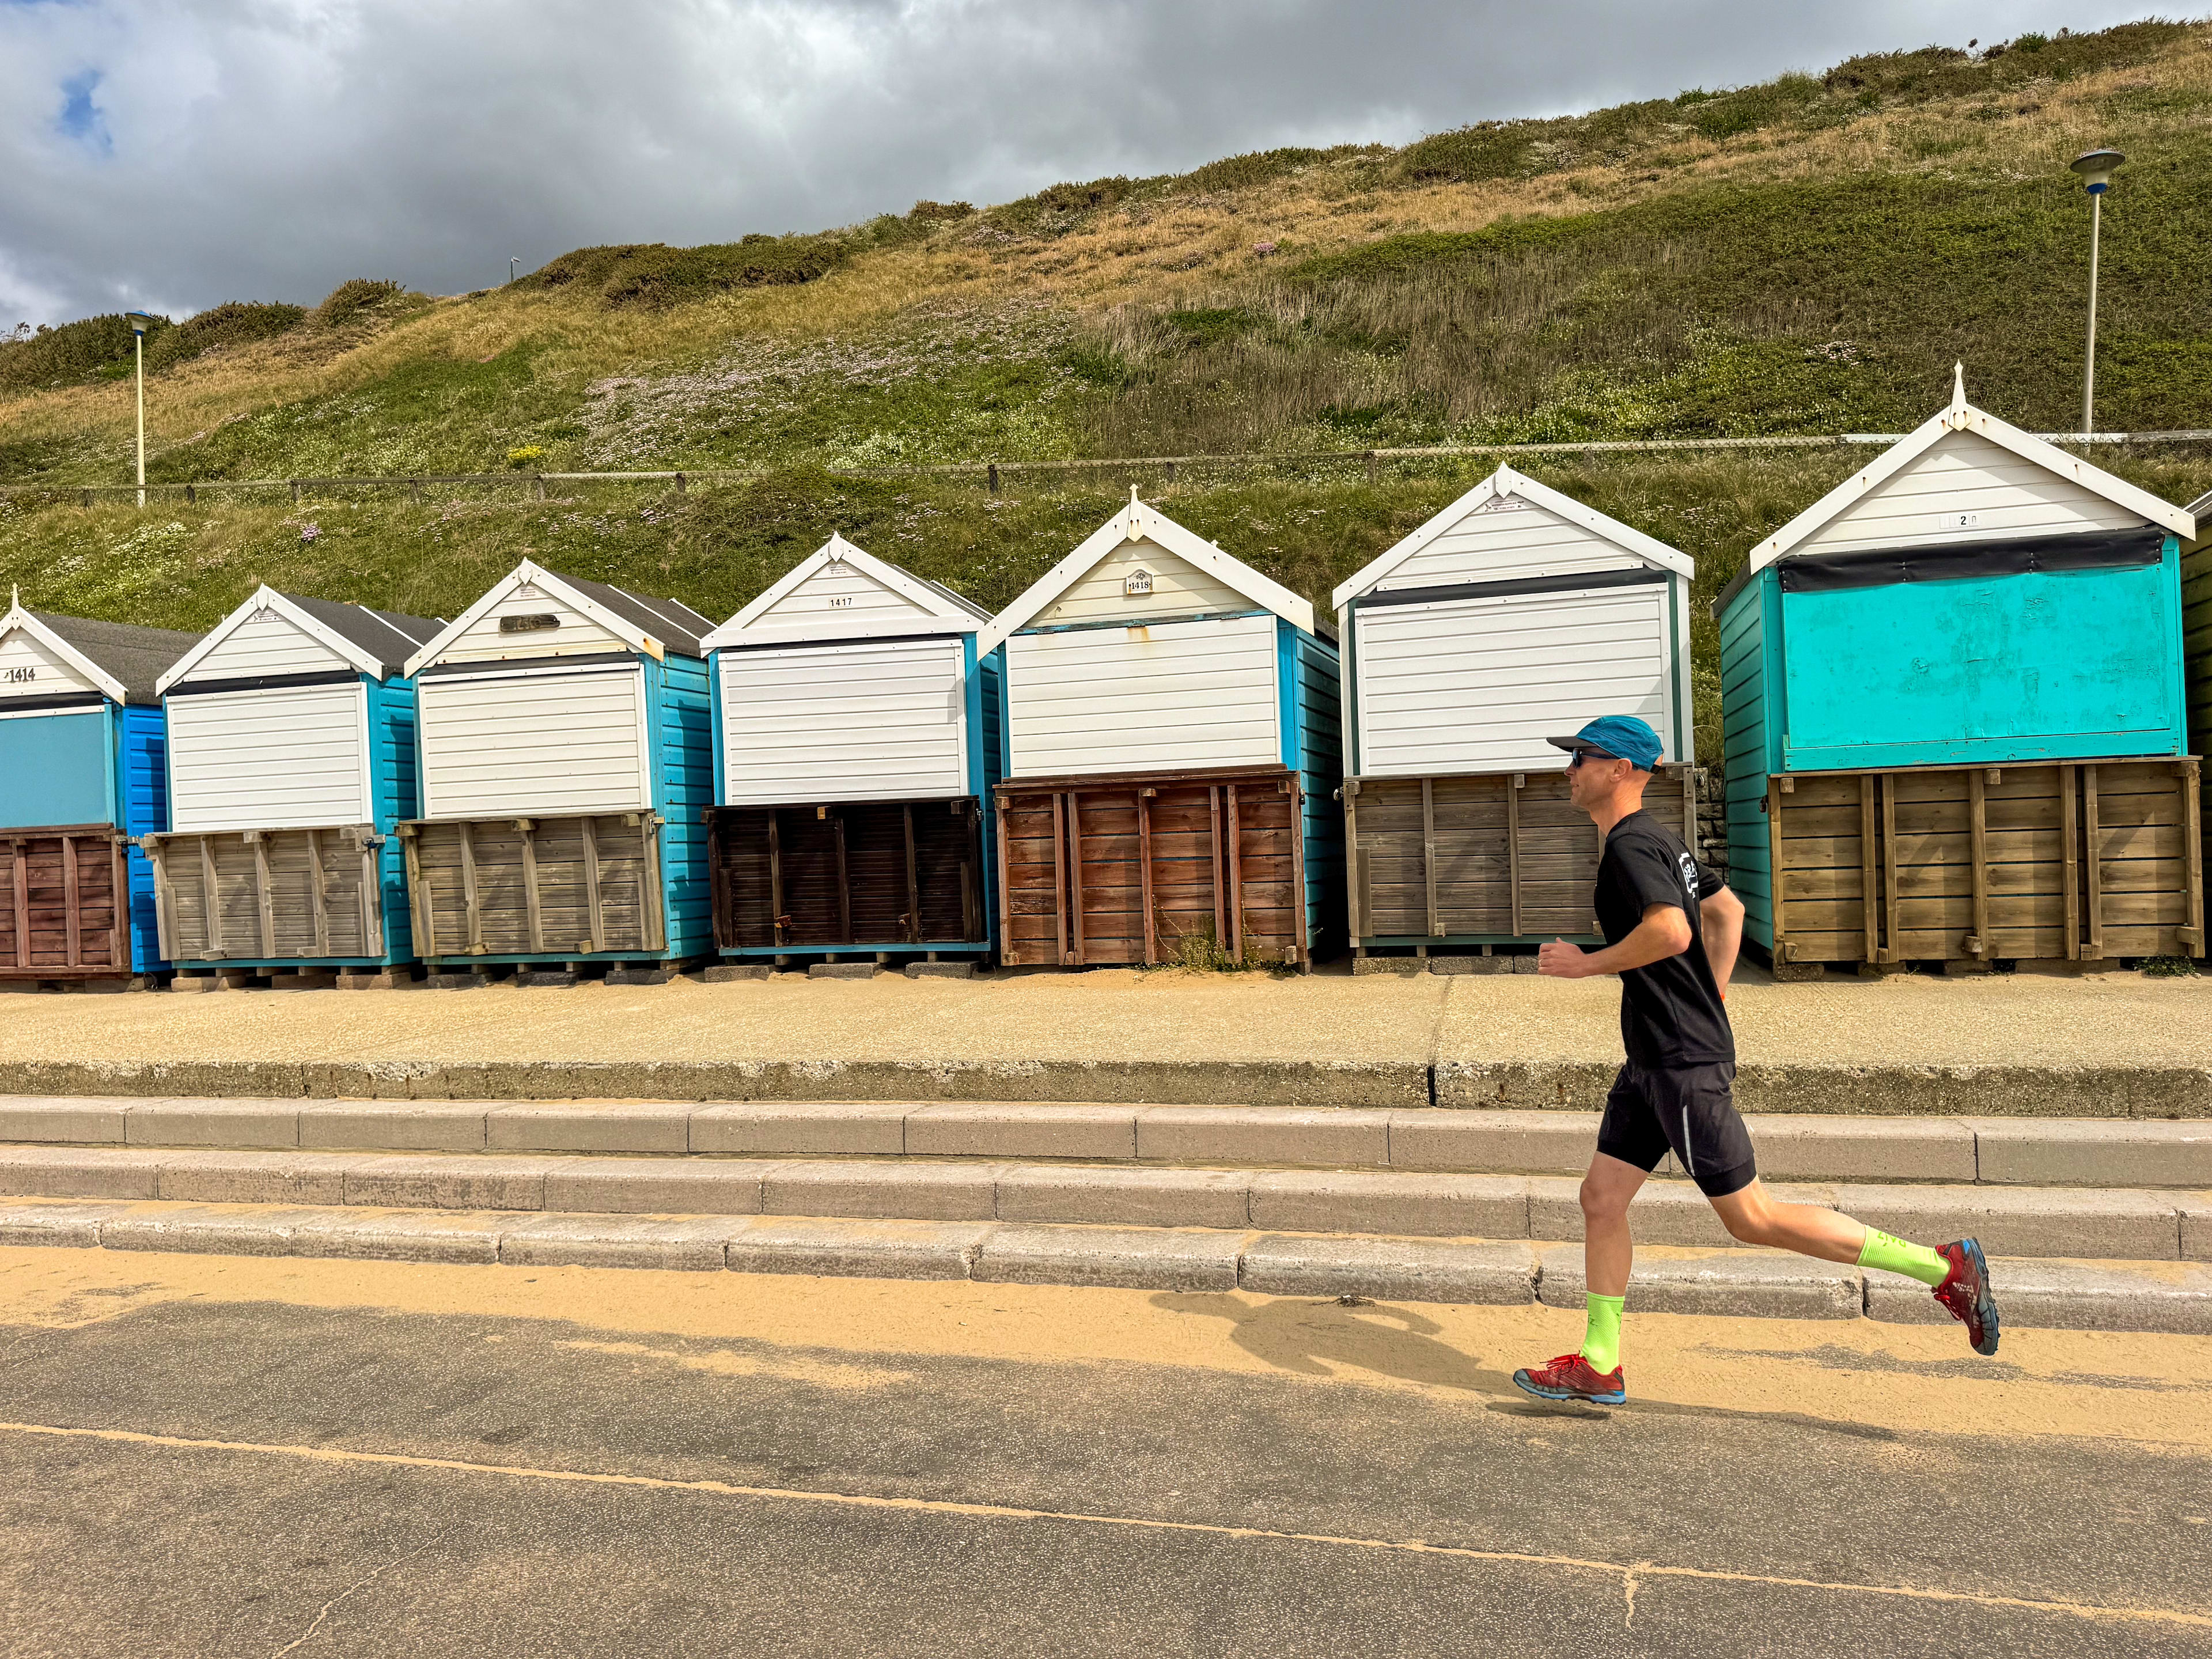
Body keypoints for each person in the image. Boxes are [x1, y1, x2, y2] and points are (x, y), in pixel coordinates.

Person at [1511, 714, 1999, 1407]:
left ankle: (1941, 1266)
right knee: (1601, 1198)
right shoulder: (1662, 844)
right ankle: (1600, 1363)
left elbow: (1672, 928)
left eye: (1579, 759)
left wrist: (1588, 966)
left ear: (1619, 769)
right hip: (1657, 1057)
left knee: (1751, 1218)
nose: (1569, 772)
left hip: (1680, 1062)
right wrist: (1707, 996)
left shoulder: (1631, 846)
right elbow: (1729, 912)